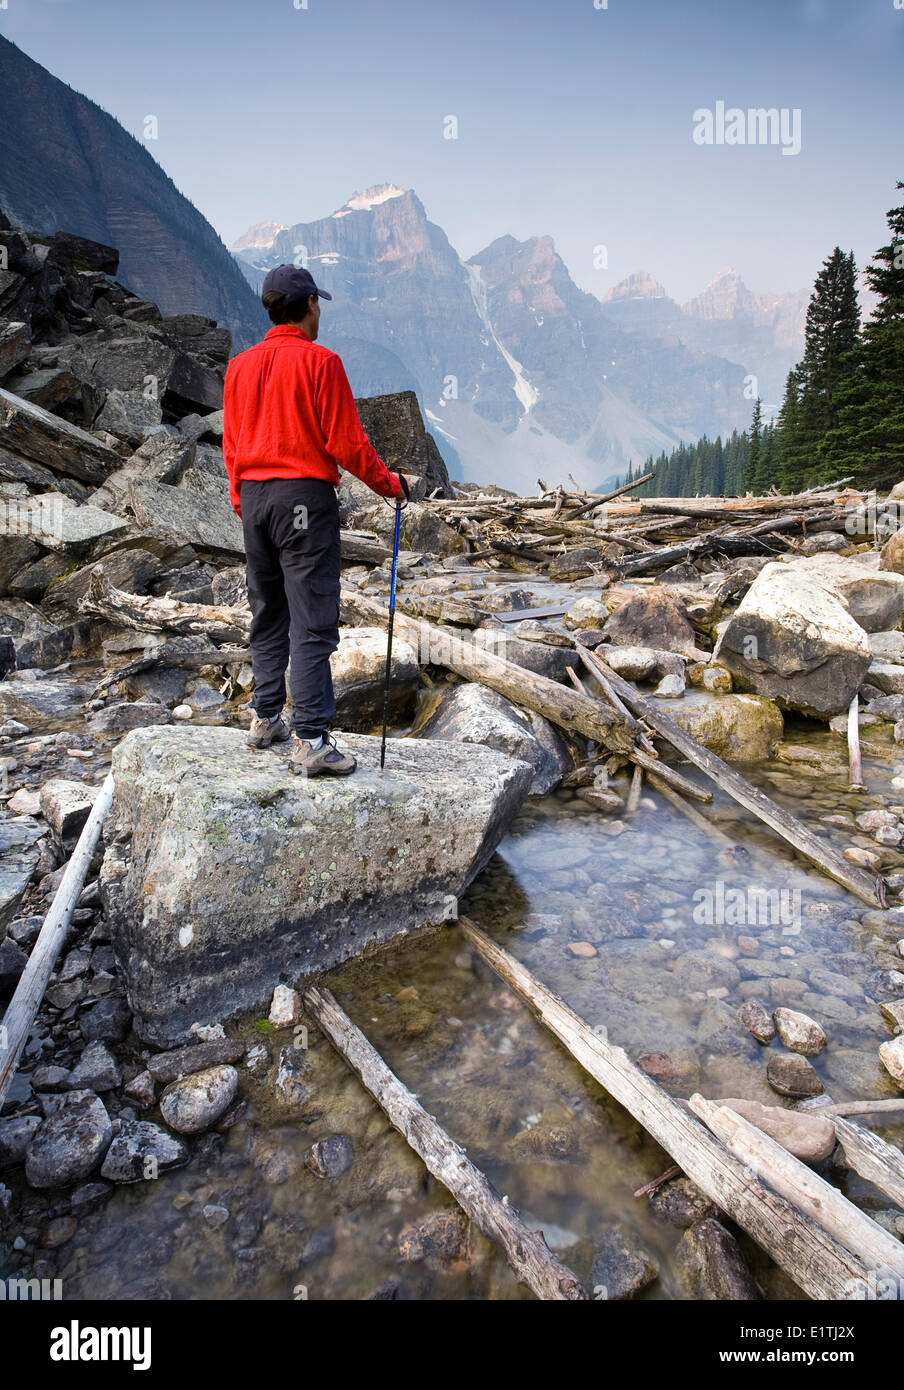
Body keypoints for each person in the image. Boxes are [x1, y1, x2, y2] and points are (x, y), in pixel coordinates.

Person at [222, 263, 409, 777]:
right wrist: (391, 486)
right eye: (318, 302)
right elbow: (346, 443)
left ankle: (264, 719)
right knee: (312, 617)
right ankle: (311, 739)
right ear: (308, 305)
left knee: (268, 611)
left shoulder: (238, 367)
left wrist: (243, 501)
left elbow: (232, 446)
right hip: (304, 497)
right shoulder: (321, 363)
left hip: (255, 499)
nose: (320, 310)